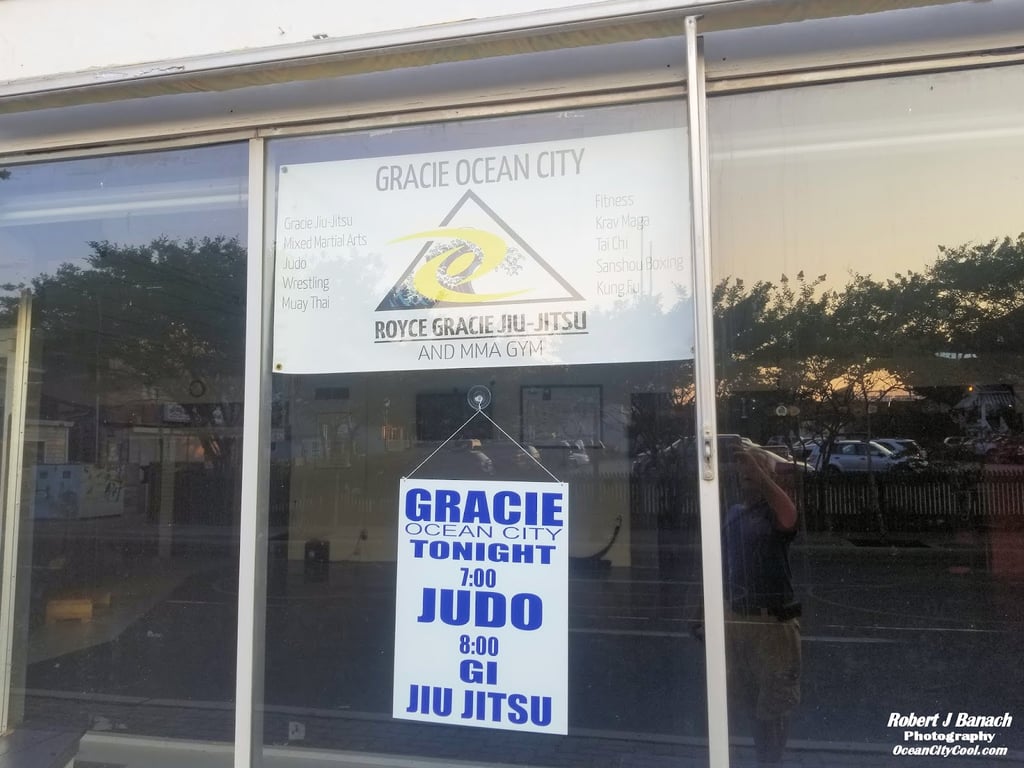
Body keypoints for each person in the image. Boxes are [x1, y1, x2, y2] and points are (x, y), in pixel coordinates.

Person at [722, 447, 802, 764]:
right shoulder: (734, 512)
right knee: (751, 701)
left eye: (755, 467)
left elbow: (789, 516)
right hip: (737, 618)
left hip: (772, 624)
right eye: (743, 467)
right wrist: (703, 609)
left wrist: (759, 471)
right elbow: (724, 563)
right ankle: (763, 758)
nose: (746, 471)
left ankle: (771, 761)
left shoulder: (775, 512)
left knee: (774, 707)